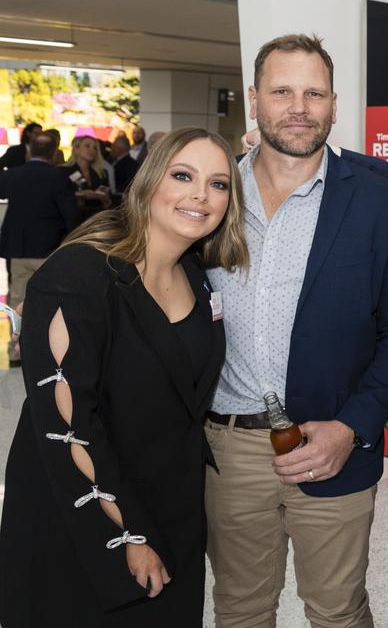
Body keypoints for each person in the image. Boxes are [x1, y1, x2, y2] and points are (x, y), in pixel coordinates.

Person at [203, 34, 388, 628]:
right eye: (282, 91)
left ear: (333, 103)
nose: (299, 107)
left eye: (313, 93)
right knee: (240, 610)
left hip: (331, 444)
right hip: (230, 448)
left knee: (337, 611)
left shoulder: (378, 202)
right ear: (254, 100)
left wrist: (352, 427)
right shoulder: (210, 196)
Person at [0, 127, 249, 626]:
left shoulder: (198, 278)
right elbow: (67, 428)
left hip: (171, 501)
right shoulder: (77, 277)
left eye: (219, 184)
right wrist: (130, 533)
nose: (201, 194)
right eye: (184, 175)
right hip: (81, 514)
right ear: (149, 181)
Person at [0, 130, 79, 363]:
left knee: (18, 299)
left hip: (19, 248)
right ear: (55, 152)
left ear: (29, 150)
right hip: (51, 249)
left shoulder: (10, 176)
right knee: (52, 300)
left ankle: (17, 350)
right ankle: (49, 350)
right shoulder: (58, 178)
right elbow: (70, 215)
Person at [64, 135, 114, 218]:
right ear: (76, 149)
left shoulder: (102, 173)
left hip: (97, 219)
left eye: (95, 148)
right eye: (87, 146)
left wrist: (105, 198)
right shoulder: (64, 171)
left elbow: (109, 203)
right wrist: (81, 196)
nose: (92, 150)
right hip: (74, 219)